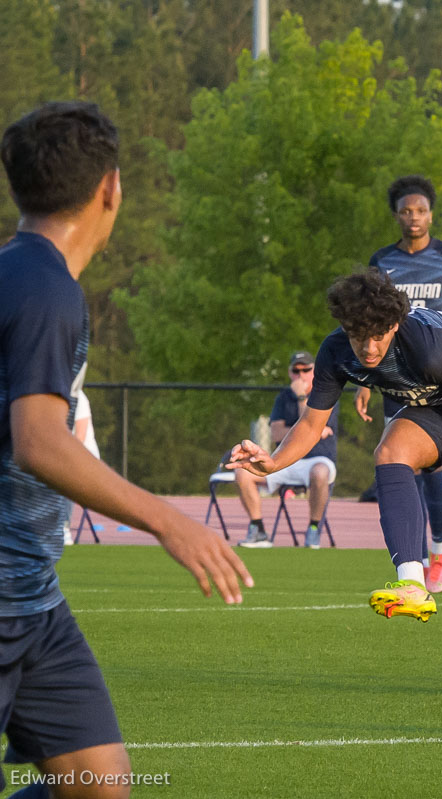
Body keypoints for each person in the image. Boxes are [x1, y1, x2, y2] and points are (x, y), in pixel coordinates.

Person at [0, 101, 252, 798]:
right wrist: (170, 520)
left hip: (31, 598)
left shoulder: (27, 274)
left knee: (99, 786)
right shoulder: (46, 288)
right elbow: (40, 442)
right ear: (110, 187)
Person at [225, 269, 442, 698]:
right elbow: (312, 423)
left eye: (378, 336)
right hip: (435, 405)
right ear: (345, 328)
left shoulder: (429, 349)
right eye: (358, 336)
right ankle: (413, 583)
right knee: (389, 453)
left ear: (394, 325)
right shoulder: (336, 351)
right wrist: (272, 462)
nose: (368, 349)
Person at [357, 174, 442, 592]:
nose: (414, 217)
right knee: (400, 463)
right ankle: (417, 555)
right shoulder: (382, 261)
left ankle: (440, 549)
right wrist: (364, 381)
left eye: (421, 211)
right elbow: (369, 324)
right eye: (407, 211)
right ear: (396, 215)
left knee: (434, 468)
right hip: (395, 374)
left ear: (431, 214)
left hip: (441, 375)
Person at [236, 351, 338, 550]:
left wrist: (301, 398)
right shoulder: (283, 397)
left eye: (306, 369)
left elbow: (309, 429)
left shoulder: (326, 394)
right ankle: (258, 530)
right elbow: (276, 434)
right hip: (286, 459)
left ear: (314, 371)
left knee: (320, 472)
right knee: (242, 473)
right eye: (296, 370)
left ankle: (314, 529)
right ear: (290, 373)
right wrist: (309, 431)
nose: (301, 374)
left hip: (318, 460)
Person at [62, 390, 101, 545]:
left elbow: (79, 439)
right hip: (63, 460)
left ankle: (63, 528)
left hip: (86, 462)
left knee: (63, 476)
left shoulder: (79, 399)